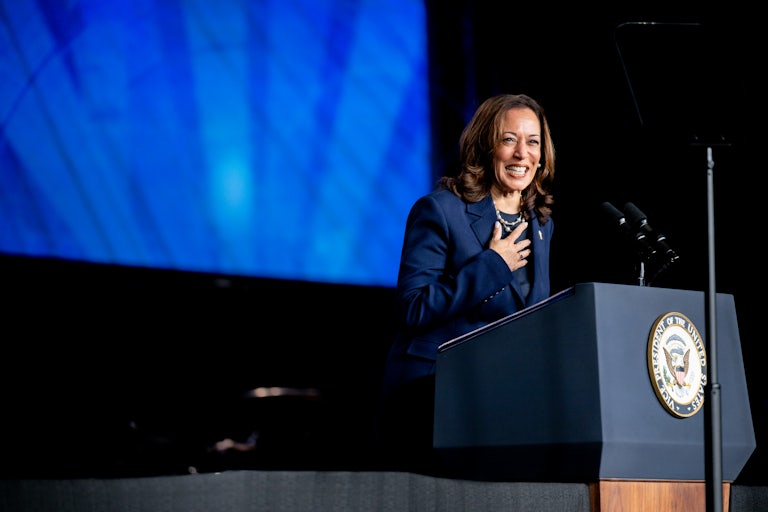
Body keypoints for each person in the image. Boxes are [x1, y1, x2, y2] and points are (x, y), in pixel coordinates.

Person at [376, 93, 556, 475]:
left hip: (498, 401)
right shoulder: (441, 210)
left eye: (533, 141)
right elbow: (413, 307)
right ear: (485, 146)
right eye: (509, 139)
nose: (522, 153)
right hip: (432, 397)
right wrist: (492, 265)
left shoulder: (540, 224)